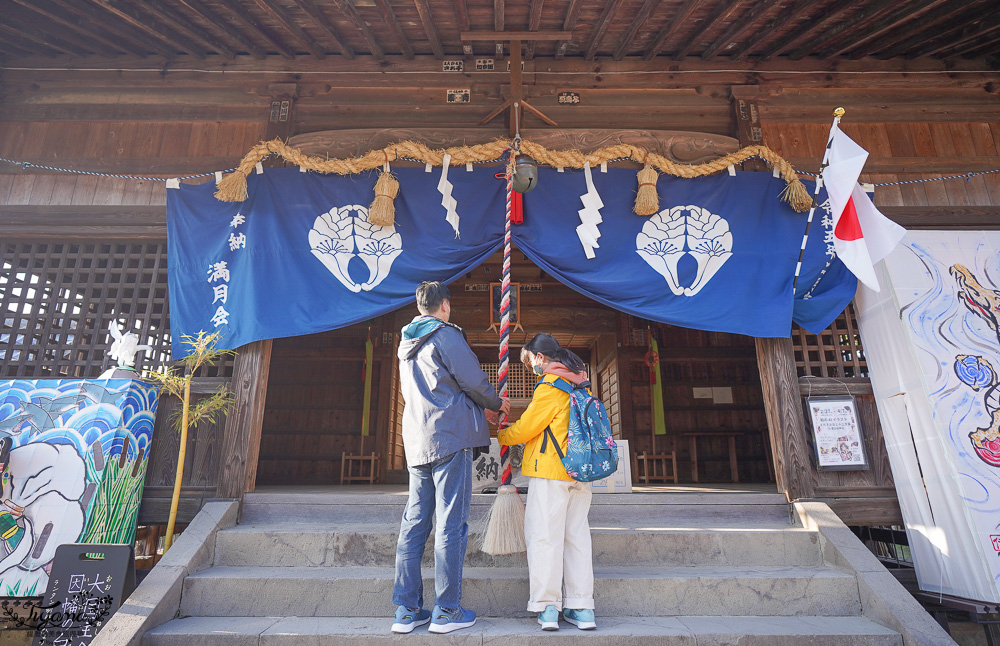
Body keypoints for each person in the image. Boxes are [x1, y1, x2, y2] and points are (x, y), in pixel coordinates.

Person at [391, 280, 509, 635]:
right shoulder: (445, 334)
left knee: (414, 523)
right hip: (450, 437)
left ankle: (406, 610)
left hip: (417, 437)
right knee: (450, 523)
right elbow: (471, 380)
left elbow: (437, 387)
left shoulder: (405, 344)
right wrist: (495, 402)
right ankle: (446, 610)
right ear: (445, 305)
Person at [497, 333, 597, 631]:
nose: (530, 368)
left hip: (551, 471)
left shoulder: (551, 386)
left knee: (544, 537)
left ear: (541, 357)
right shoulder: (580, 382)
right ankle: (582, 608)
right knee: (576, 537)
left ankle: (548, 606)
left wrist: (502, 435)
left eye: (529, 361)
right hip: (580, 471)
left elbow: (527, 428)